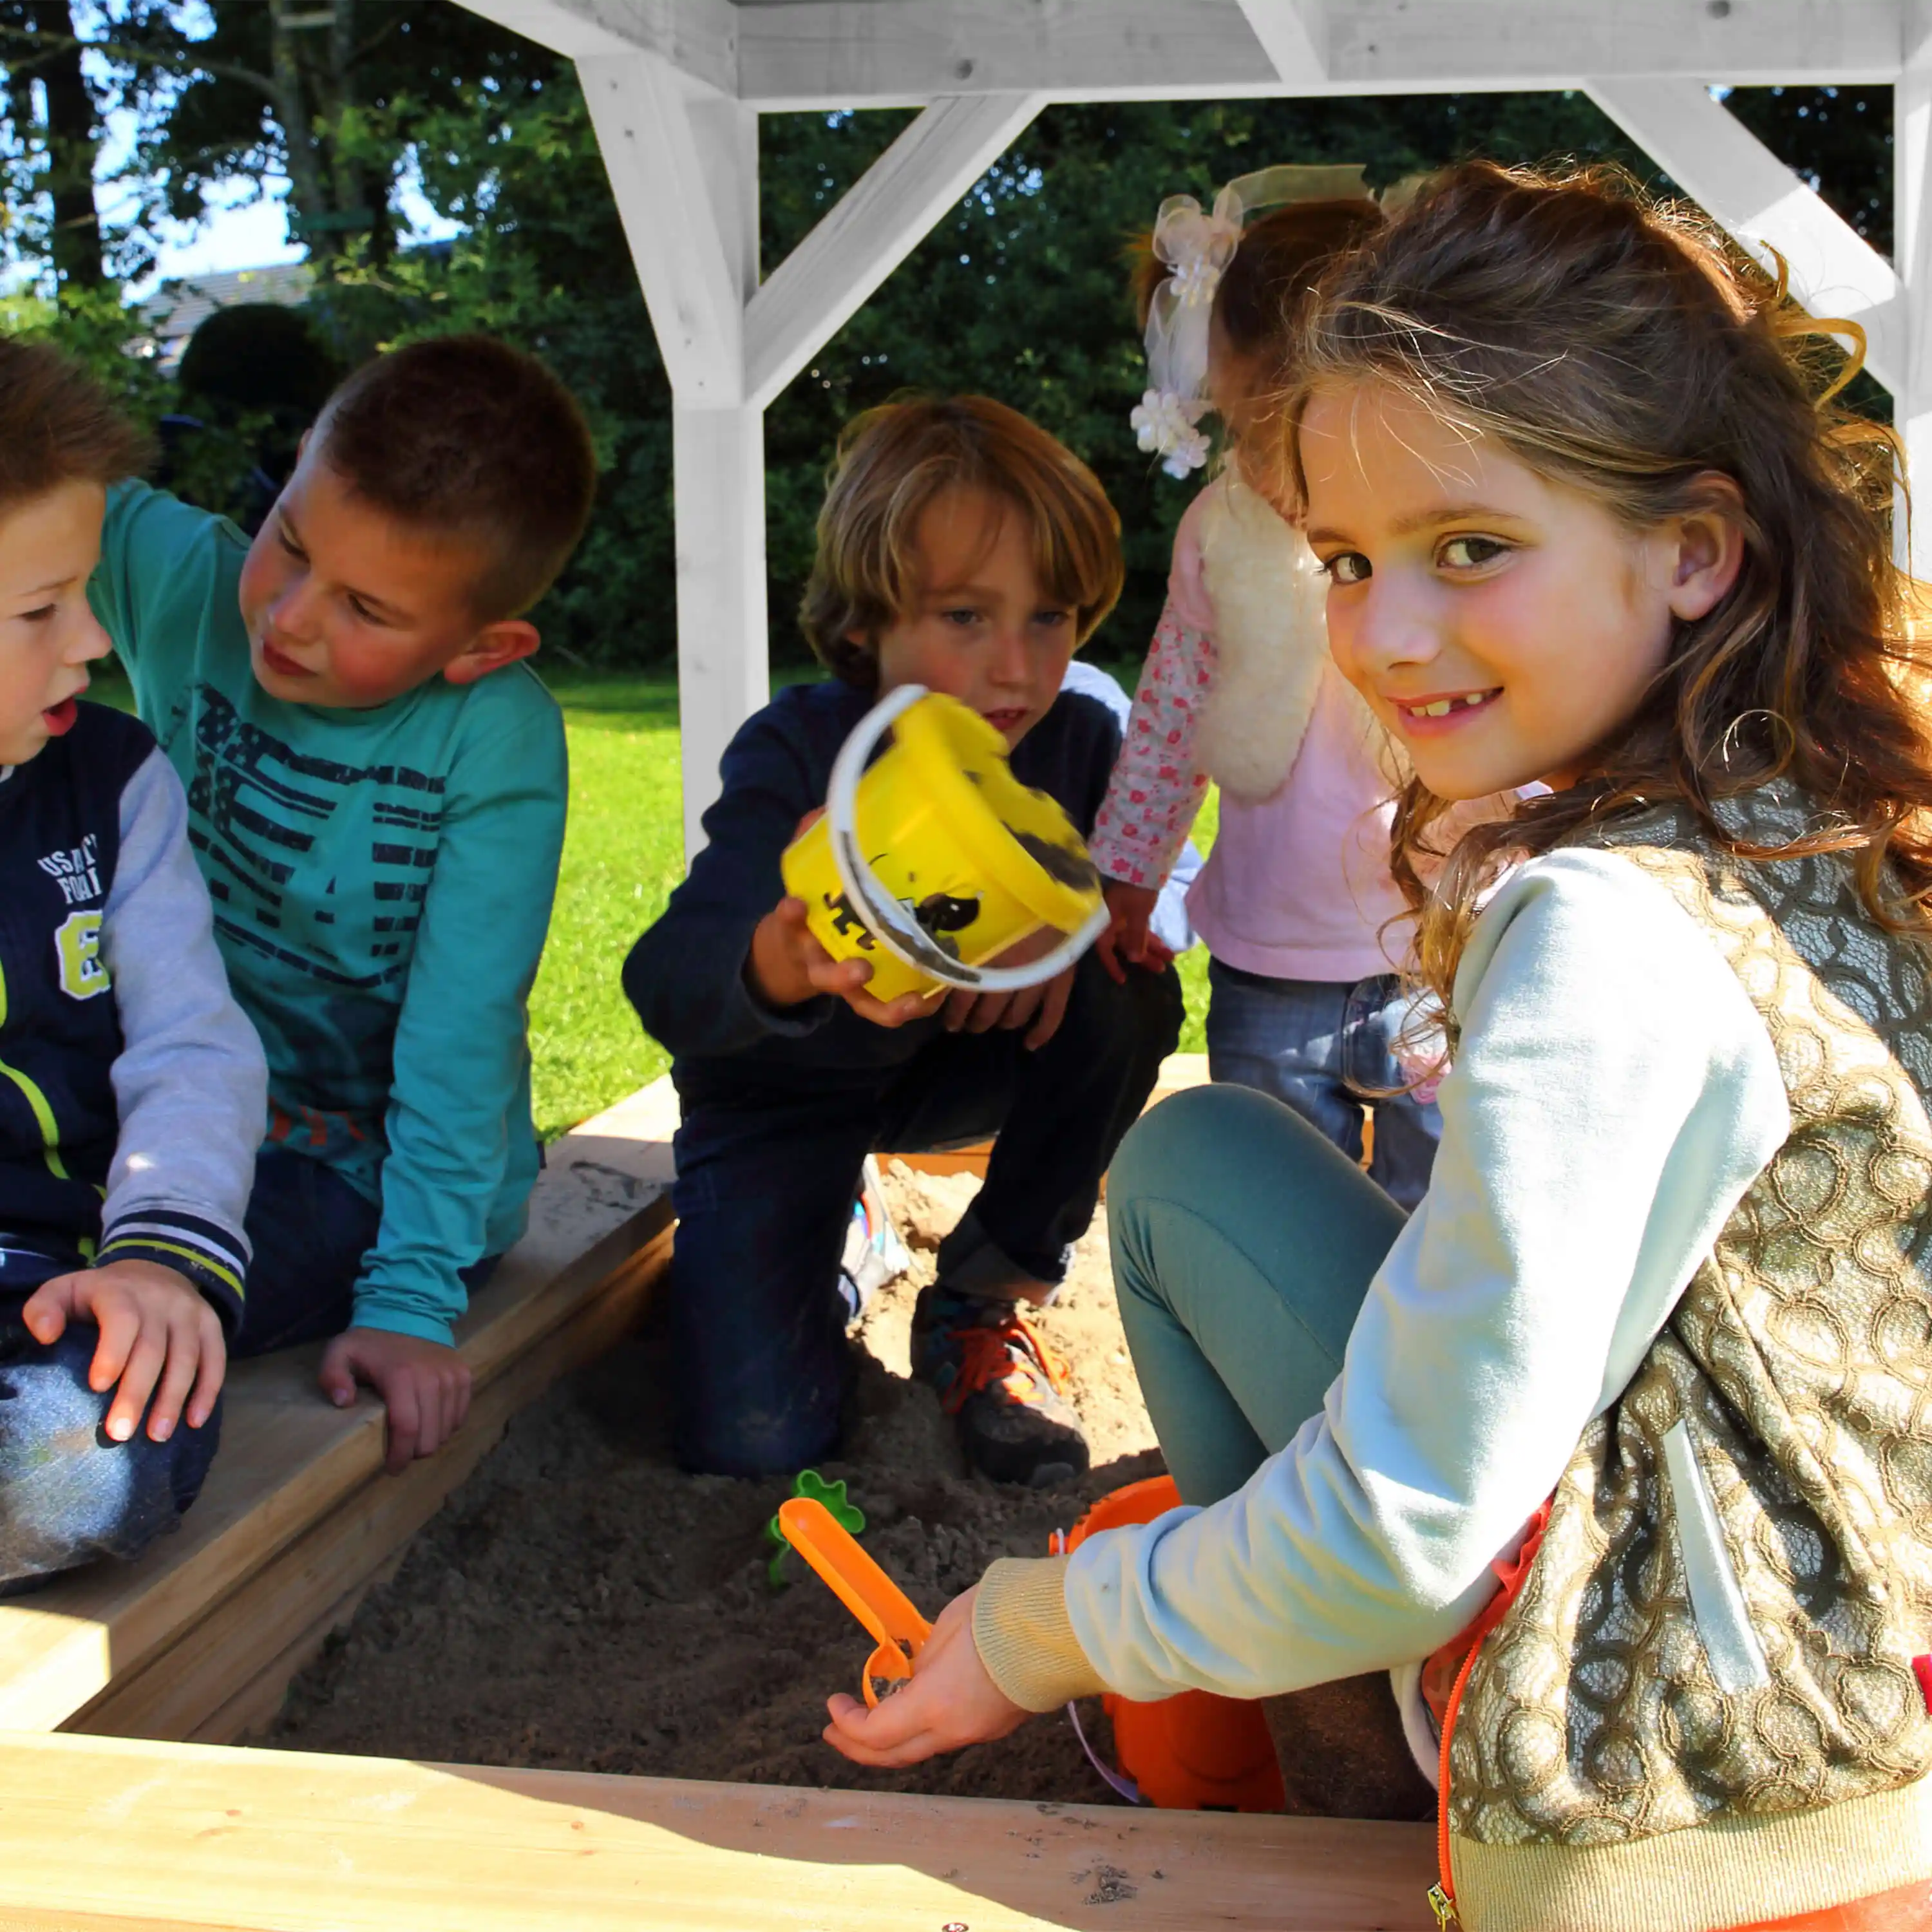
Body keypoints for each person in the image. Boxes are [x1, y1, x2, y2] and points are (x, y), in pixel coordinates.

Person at [819, 162, 1932, 1932]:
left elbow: (1410, 1525)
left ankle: (1304, 1710)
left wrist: (1037, 1633)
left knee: (1233, 1479)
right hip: (1874, 1654)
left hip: (1683, 1811)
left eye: (1471, 549)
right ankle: (1304, 1684)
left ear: (1696, 550)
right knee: (1196, 1159)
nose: (1383, 638)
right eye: (1345, 560)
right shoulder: (1827, 821)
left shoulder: (1607, 933)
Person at [625, 395, 1183, 1488]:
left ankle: (981, 1300)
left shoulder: (1076, 740)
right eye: (967, 618)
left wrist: (1070, 939)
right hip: (779, 1094)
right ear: (865, 623)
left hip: (956, 1069)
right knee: (755, 1442)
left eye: (1052, 616)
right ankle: (851, 1234)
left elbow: (1146, 916)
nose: (1020, 671)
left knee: (1127, 989)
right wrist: (778, 961)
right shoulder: (802, 751)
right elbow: (664, 981)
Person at [90, 335, 596, 1475]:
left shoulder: (494, 738)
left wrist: (412, 1302)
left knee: (124, 1314)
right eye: (291, 540)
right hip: (170, 1098)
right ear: (303, 457)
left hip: (362, 1169)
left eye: (366, 608)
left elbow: (462, 1034)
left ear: (480, 647)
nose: (290, 616)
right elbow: (38, 480)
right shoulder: (184, 578)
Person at [1095, 171, 1454, 1207]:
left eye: (1294, 431)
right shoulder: (1220, 530)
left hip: (1436, 944)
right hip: (1270, 953)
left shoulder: (1450, 534)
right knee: (1279, 1203)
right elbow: (1169, 711)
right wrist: (1130, 873)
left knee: (1452, 1209)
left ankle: (1417, 1371)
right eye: (1245, 431)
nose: (1268, 465)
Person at [0, 341, 265, 1586]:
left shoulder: (115, 784)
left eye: (87, 592)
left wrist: (159, 1260)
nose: (94, 642)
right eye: (40, 610)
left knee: (107, 1450)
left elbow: (191, 1044)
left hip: (54, 1287)